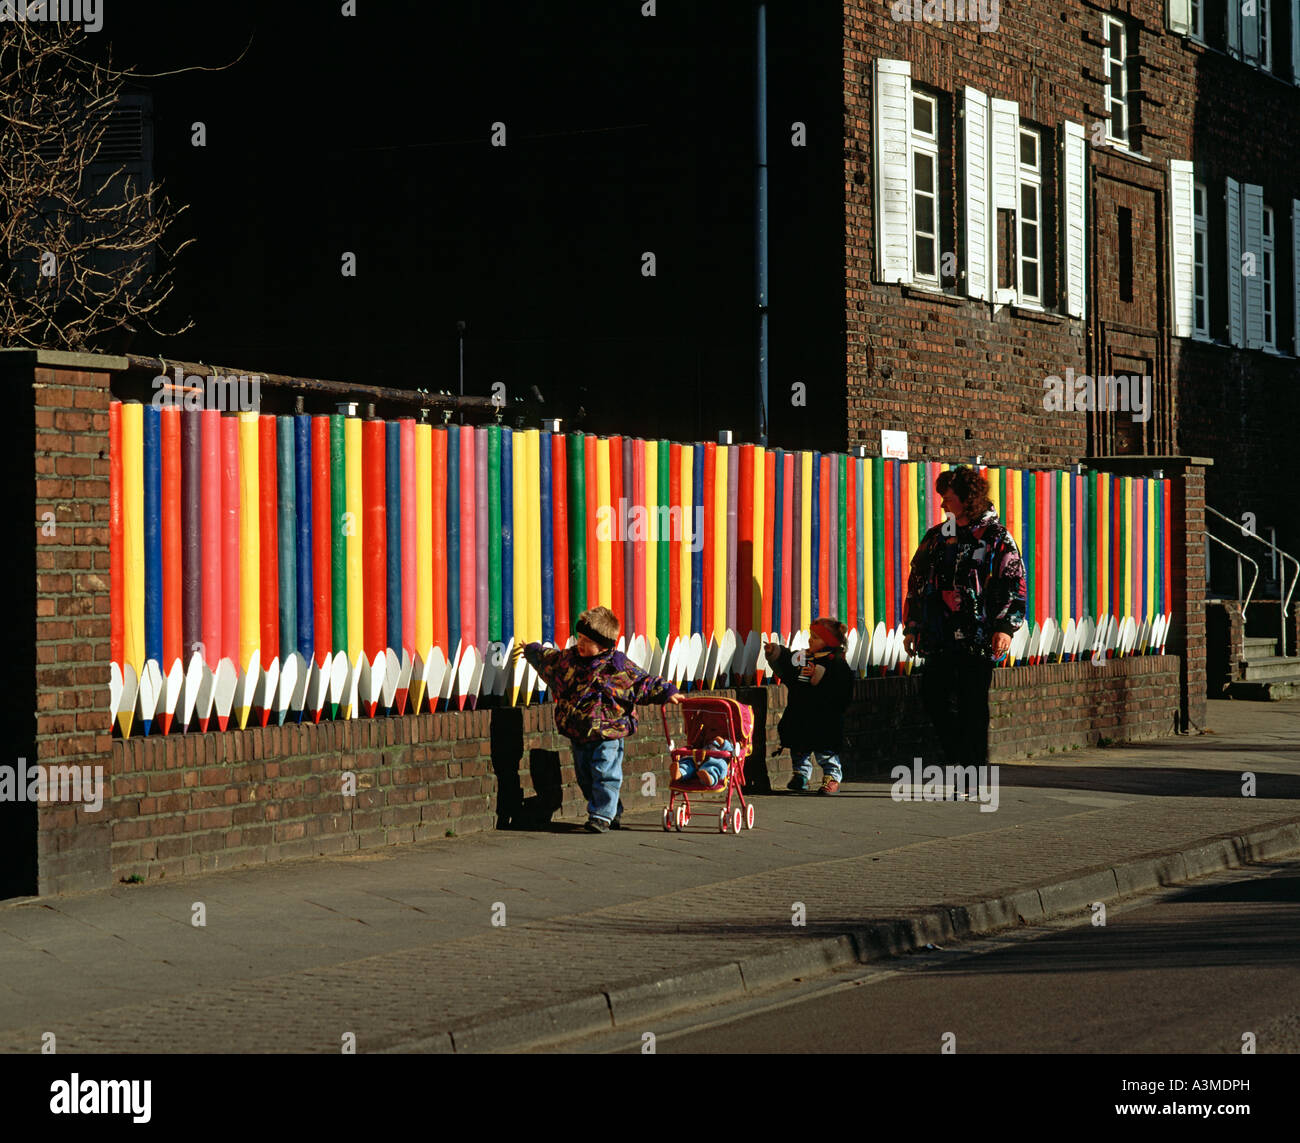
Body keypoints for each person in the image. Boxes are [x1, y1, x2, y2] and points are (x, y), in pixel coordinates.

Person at [903, 465, 1026, 786]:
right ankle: (959, 760)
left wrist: (1006, 627)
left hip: (978, 636)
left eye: (949, 498)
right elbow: (916, 581)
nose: (943, 505)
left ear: (967, 499)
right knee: (934, 697)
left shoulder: (997, 538)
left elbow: (1013, 582)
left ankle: (972, 774)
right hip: (939, 635)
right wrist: (913, 625)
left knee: (972, 706)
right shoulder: (937, 537)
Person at [519, 607, 683, 833]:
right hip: (579, 732)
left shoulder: (617, 666)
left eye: (587, 641)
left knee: (605, 773)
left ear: (603, 645)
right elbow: (549, 661)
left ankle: (600, 816)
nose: (580, 644)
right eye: (580, 638)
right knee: (585, 777)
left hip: (609, 733)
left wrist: (667, 691)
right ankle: (611, 810)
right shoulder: (569, 660)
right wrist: (531, 650)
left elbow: (642, 682)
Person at [763, 617, 854, 794]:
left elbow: (843, 687)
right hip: (800, 712)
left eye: (816, 637)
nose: (810, 639)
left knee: (825, 750)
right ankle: (801, 774)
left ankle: (832, 776)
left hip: (824, 716)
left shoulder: (835, 662)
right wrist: (775, 652)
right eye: (811, 635)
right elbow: (787, 664)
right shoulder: (802, 657)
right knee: (799, 746)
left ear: (829, 641)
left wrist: (823, 676)